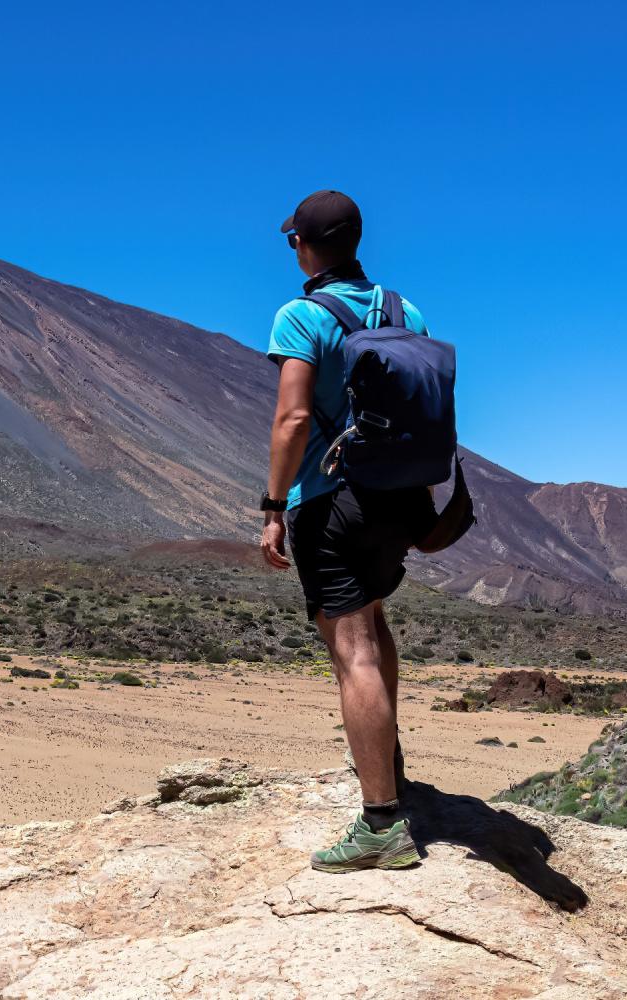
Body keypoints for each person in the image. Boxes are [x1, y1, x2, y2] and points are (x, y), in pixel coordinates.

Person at [259, 190, 431, 873]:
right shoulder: (402, 309)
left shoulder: (300, 316)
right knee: (375, 623)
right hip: (396, 497)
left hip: (330, 503)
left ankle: (382, 824)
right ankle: (388, 772)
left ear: (302, 244)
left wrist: (273, 506)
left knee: (350, 646)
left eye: (291, 240)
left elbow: (293, 420)